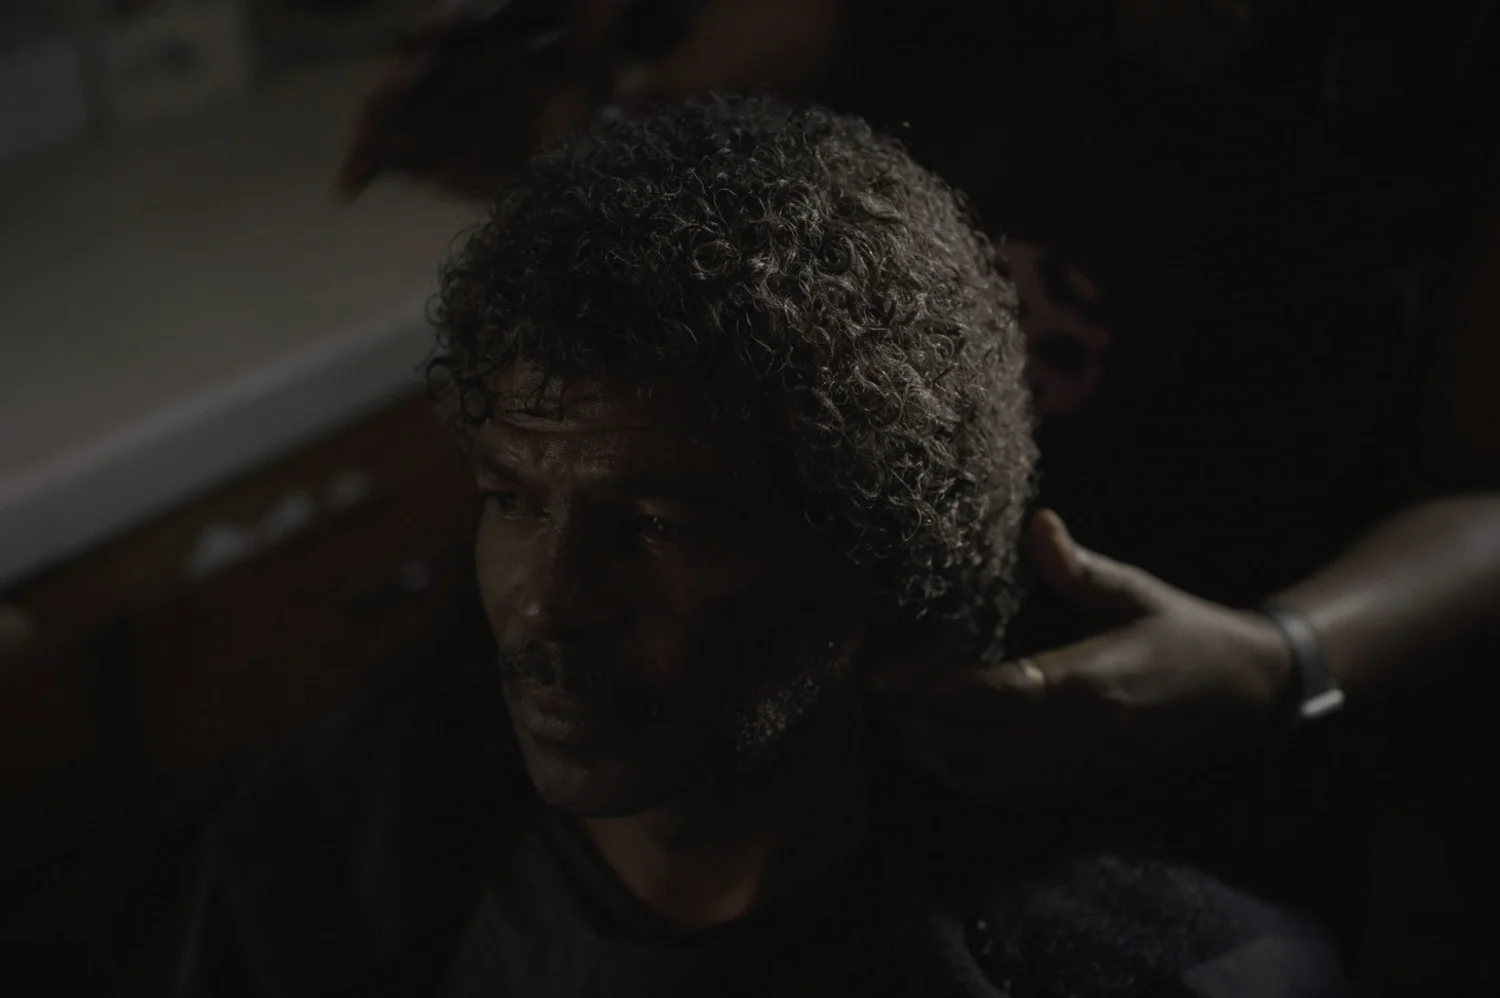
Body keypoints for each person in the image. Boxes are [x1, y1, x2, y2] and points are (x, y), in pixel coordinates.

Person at [335, 0, 1500, 965]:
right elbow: (688, 219)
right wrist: (583, 127)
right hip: (783, 732)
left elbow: (1485, 491)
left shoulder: (1446, 77)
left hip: (1184, 771)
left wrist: (1276, 661)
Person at [167, 96, 1349, 997]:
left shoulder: (1178, 972)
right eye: (512, 500)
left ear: (880, 550)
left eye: (656, 526)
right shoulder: (330, 844)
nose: (548, 601)